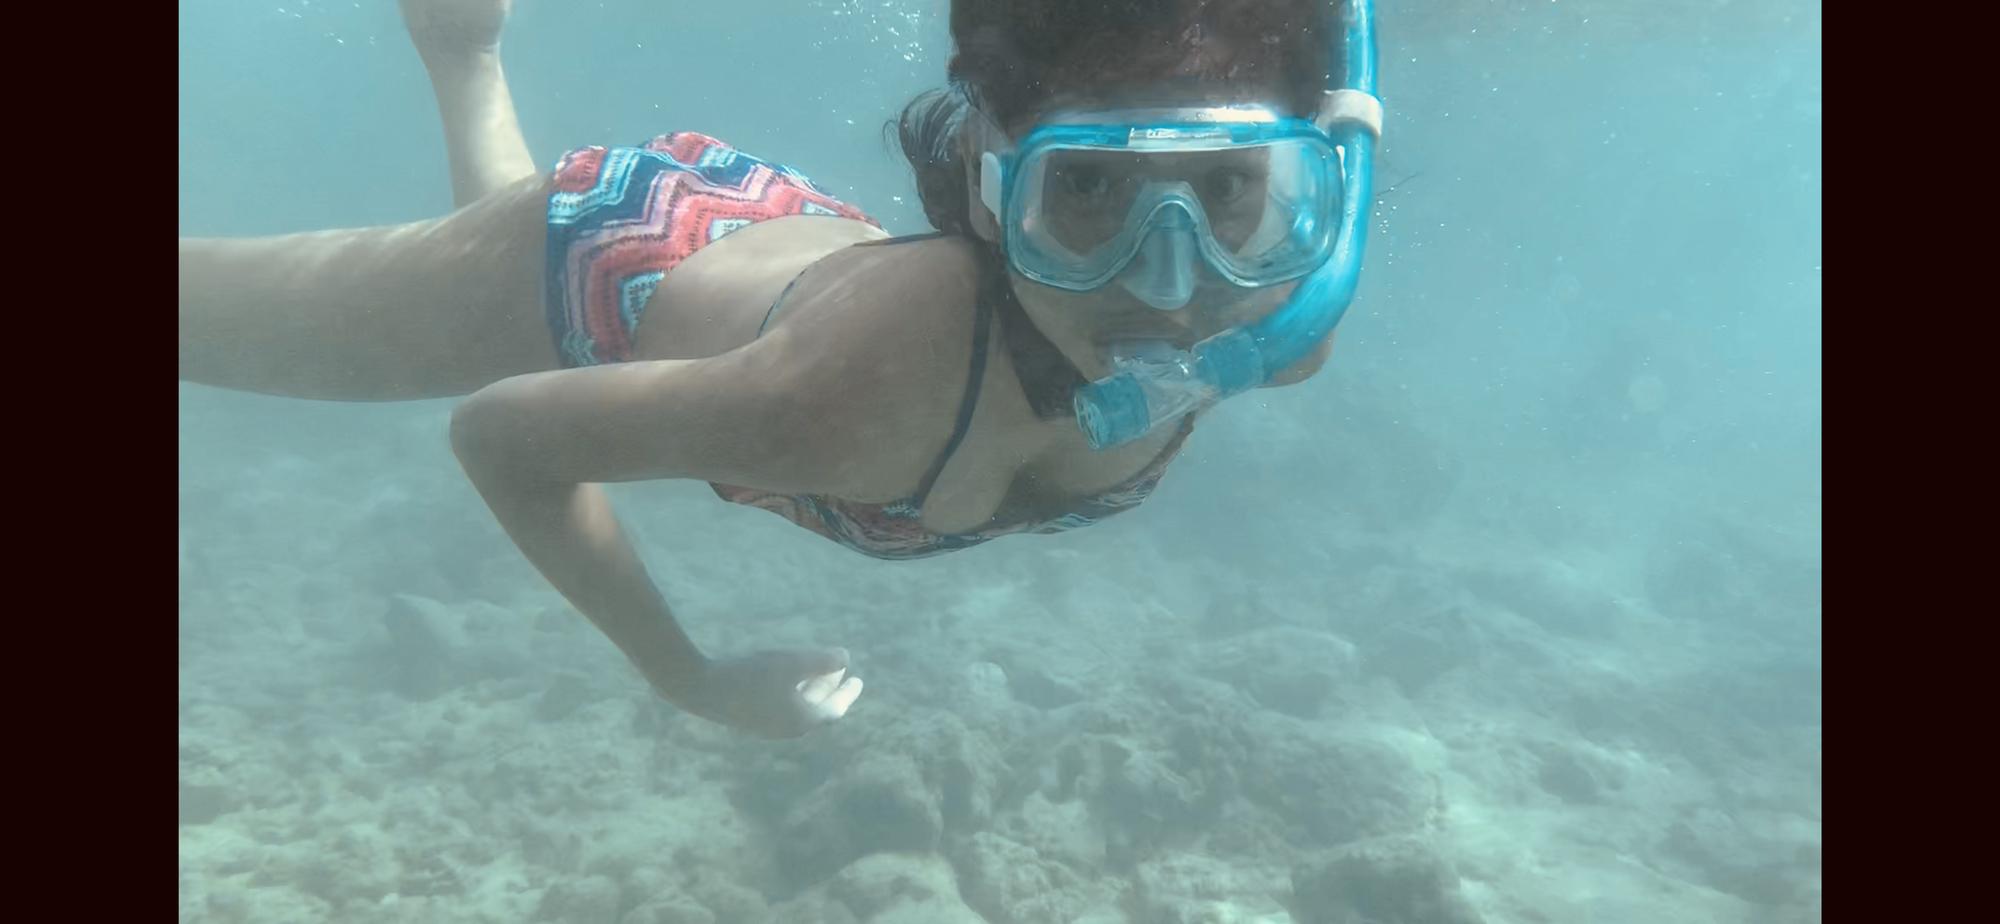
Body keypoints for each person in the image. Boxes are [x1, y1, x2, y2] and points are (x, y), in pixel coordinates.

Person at [177, 0, 1383, 738]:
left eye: (1229, 190)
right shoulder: (847, 403)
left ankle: (461, 47)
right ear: (986, 188)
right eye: (1085, 191)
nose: (1166, 285)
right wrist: (687, 678)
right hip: (610, 251)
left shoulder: (1280, 319)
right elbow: (501, 435)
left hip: (772, 240)